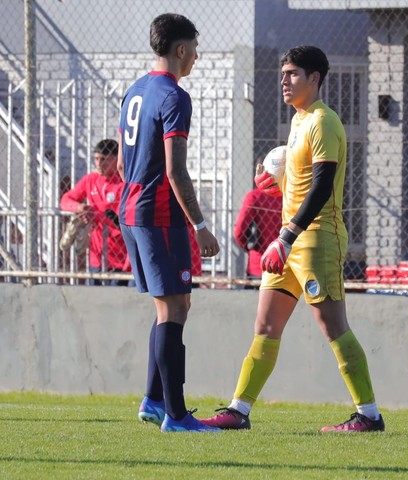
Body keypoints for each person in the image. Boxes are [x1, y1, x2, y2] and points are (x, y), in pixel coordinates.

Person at [200, 45, 384, 432]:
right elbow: (301, 185)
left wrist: (285, 237)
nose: (284, 80)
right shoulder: (299, 121)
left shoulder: (324, 122)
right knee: (265, 326)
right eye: (283, 74)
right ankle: (238, 410)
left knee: (333, 327)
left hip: (316, 239)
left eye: (293, 74)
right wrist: (277, 183)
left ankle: (369, 415)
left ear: (315, 78)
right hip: (288, 242)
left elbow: (321, 190)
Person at [117, 13, 221, 433]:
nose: (196, 57)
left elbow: (124, 163)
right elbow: (176, 171)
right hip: (159, 215)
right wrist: (199, 225)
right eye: (194, 49)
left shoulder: (135, 90)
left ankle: (154, 401)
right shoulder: (174, 96)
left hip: (131, 210)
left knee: (170, 307)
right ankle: (176, 416)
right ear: (181, 49)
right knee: (174, 307)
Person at [60, 139, 130, 285]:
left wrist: (95, 215)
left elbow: (123, 220)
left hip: (121, 258)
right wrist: (79, 208)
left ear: (116, 159)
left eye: (104, 159)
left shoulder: (125, 182)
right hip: (97, 257)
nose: (98, 163)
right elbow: (65, 200)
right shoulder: (90, 179)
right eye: (96, 159)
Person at [233, 163, 283, 283]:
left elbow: (239, 232)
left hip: (259, 264)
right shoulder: (291, 197)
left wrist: (249, 247)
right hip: (286, 263)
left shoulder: (255, 197)